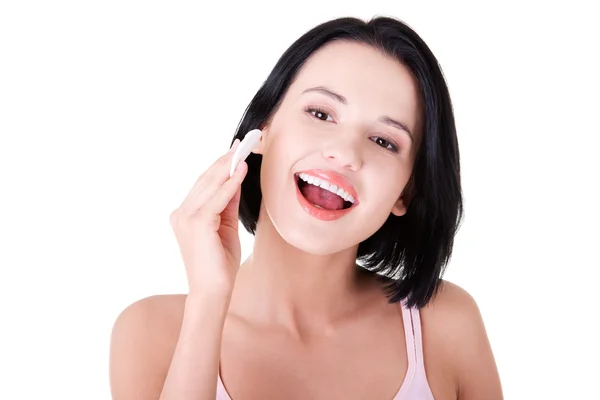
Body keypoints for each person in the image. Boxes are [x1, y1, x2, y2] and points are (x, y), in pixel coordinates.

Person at [109, 15, 503, 400]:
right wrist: (208, 300)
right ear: (262, 129)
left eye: (384, 141)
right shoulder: (150, 333)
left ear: (406, 192)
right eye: (320, 113)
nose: (345, 153)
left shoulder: (446, 325)